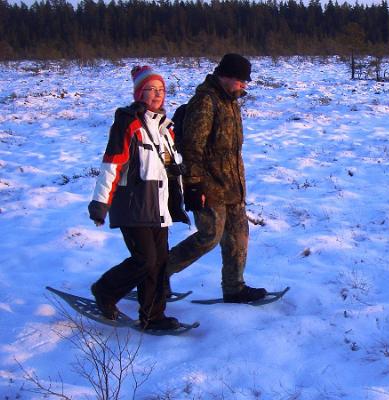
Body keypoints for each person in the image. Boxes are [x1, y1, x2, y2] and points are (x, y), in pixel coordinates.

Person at [88, 65, 189, 330]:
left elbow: (170, 166)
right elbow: (112, 163)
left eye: (161, 90)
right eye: (150, 90)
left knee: (159, 263)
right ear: (138, 93)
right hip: (134, 205)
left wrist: (185, 190)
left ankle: (153, 317)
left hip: (159, 206)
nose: (157, 95)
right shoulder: (128, 123)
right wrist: (100, 203)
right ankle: (105, 291)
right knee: (145, 260)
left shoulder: (166, 129)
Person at [166, 53, 267, 303]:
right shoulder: (205, 102)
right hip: (208, 185)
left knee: (239, 236)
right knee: (208, 236)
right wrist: (194, 184)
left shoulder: (230, 102)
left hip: (233, 185)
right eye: (241, 80)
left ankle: (234, 288)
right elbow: (192, 148)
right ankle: (157, 274)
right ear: (226, 76)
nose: (245, 85)